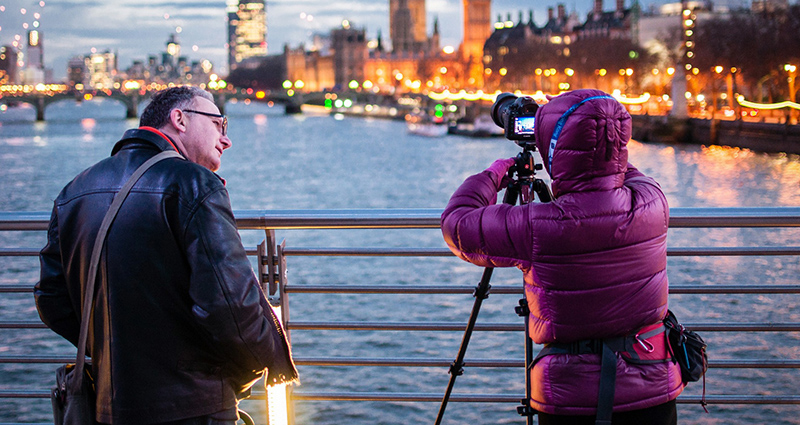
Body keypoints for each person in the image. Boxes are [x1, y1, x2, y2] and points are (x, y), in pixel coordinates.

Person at [35, 86, 297, 424]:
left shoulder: (75, 190)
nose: (226, 139)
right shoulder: (195, 183)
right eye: (219, 124)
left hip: (109, 404)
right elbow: (231, 305)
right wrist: (252, 366)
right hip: (193, 404)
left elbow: (52, 300)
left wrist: (112, 354)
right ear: (179, 120)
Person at [441, 89, 683, 424]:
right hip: (653, 386)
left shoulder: (539, 225)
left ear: (557, 150)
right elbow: (618, 166)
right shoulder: (652, 201)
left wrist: (494, 173)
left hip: (573, 401)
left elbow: (458, 224)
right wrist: (593, 130)